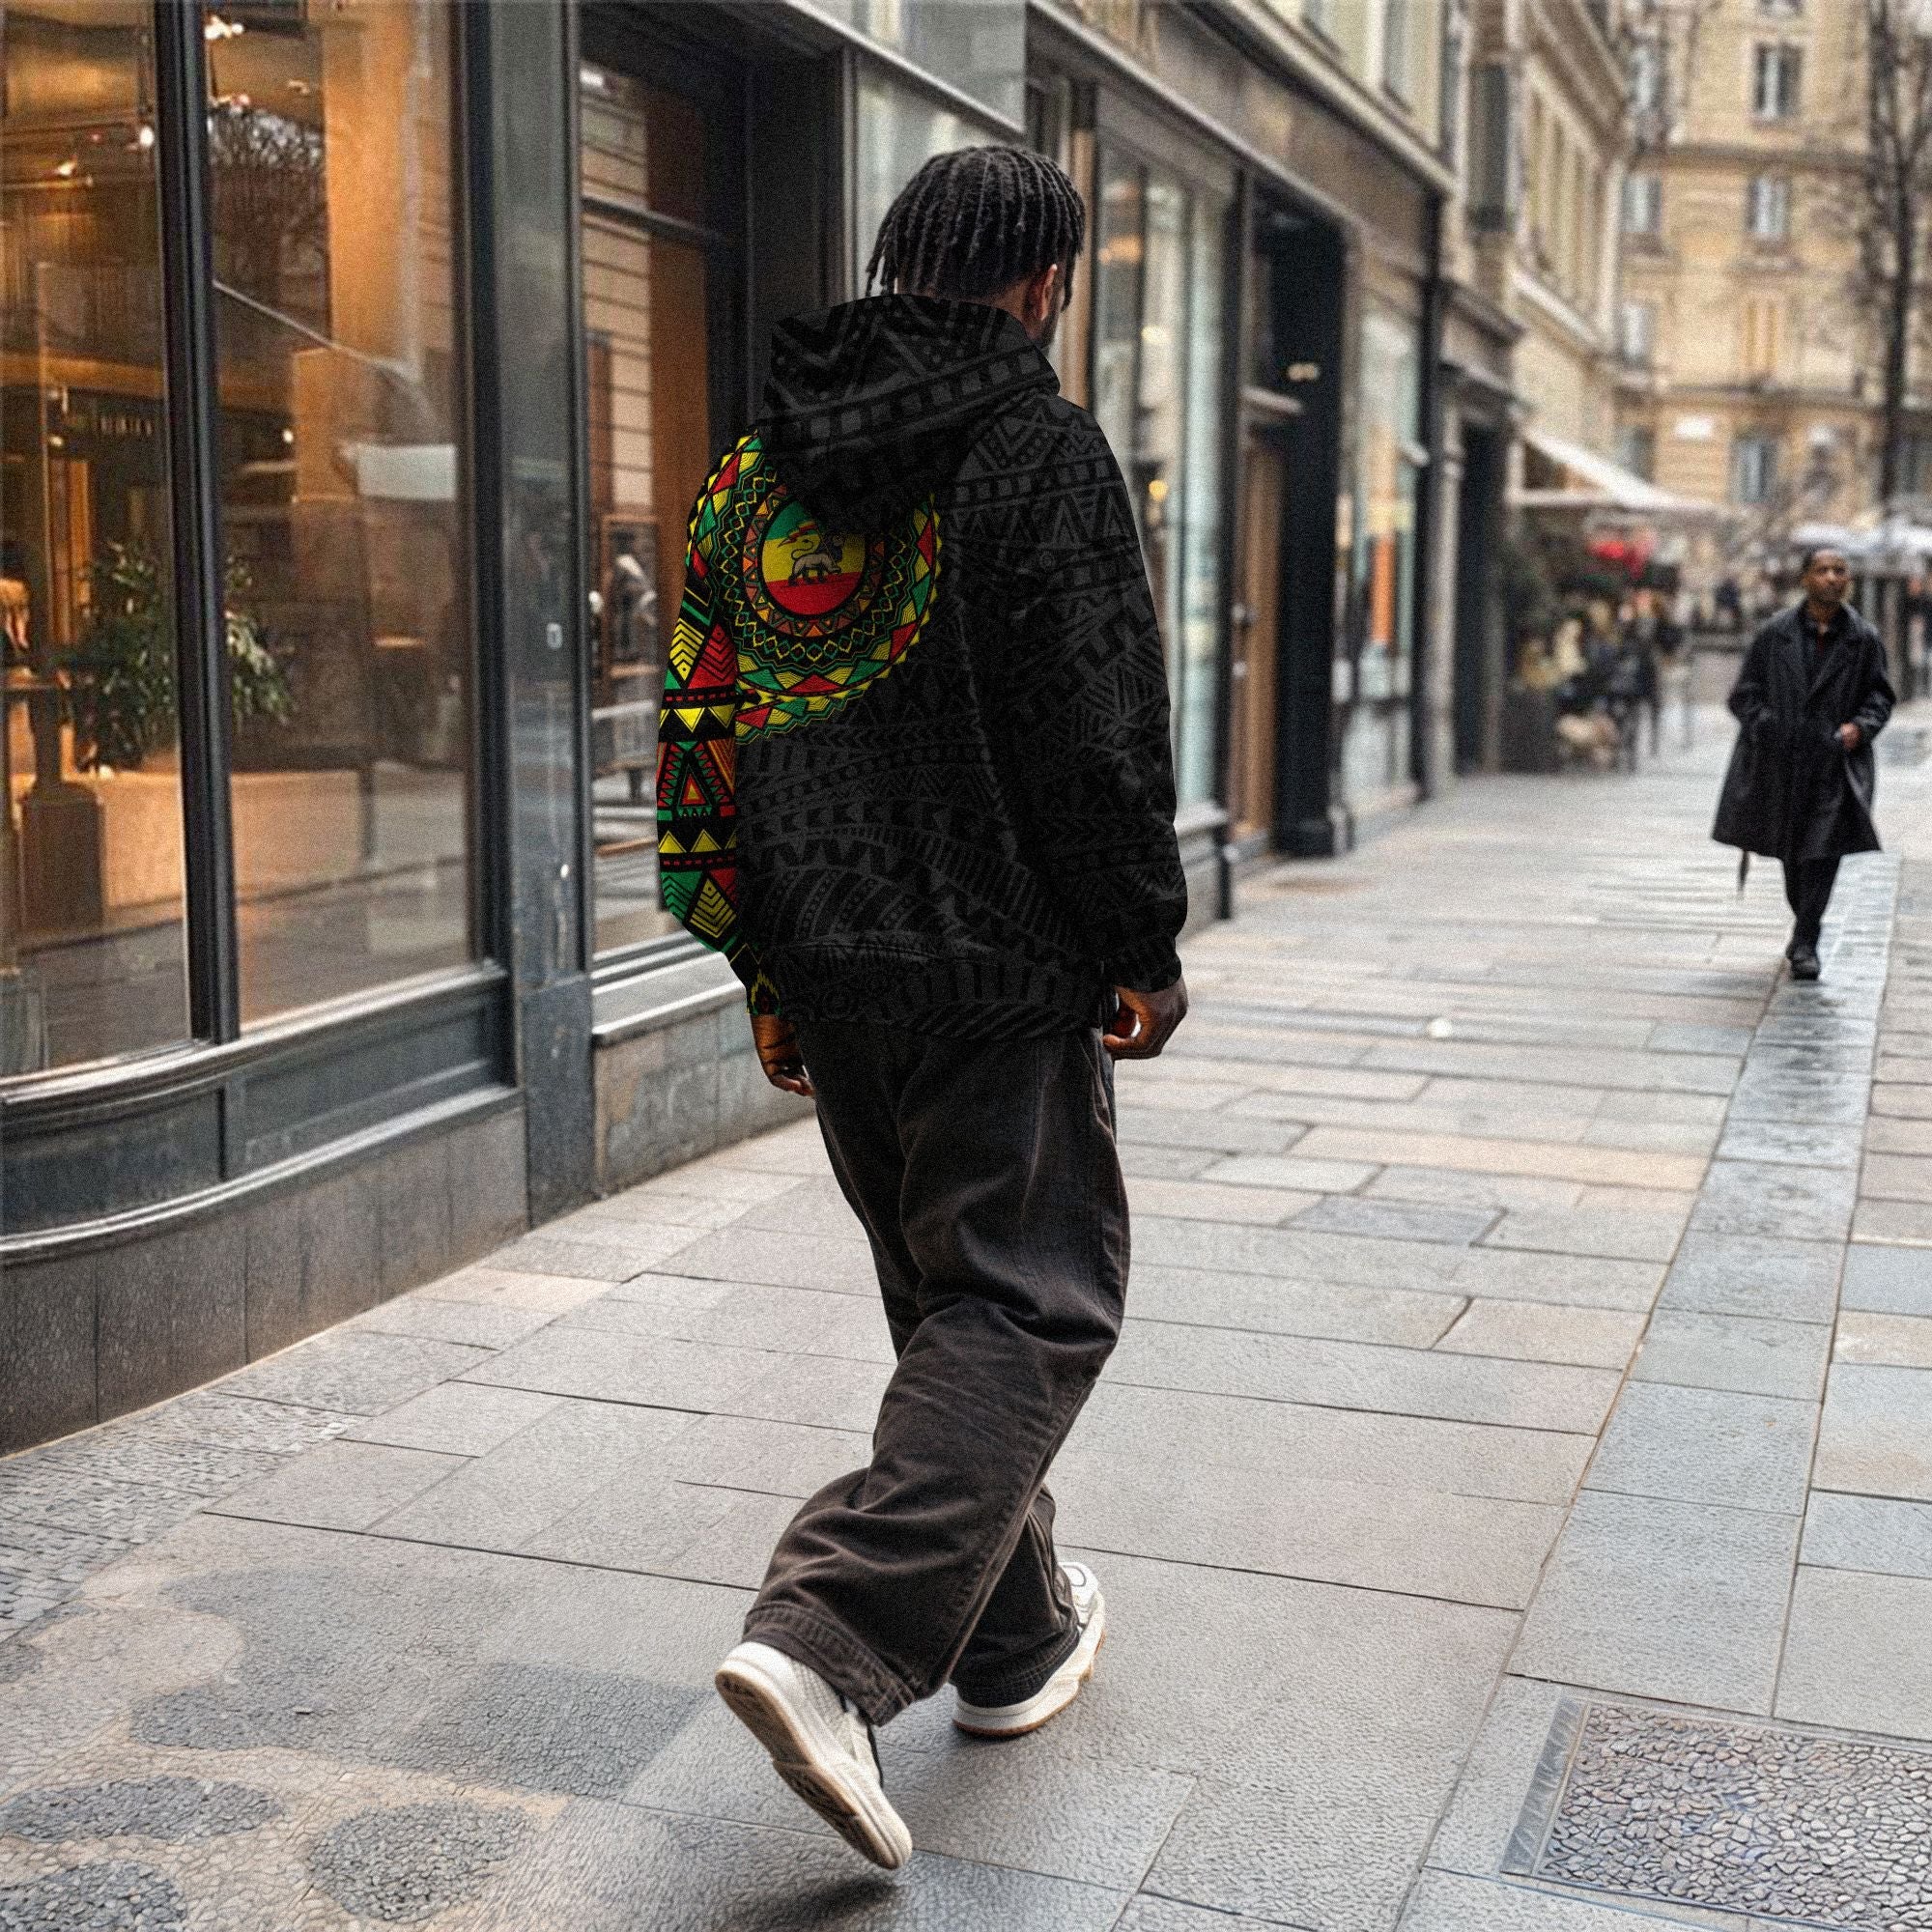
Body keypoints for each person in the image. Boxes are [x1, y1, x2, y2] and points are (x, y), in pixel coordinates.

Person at [656, 146, 1187, 1871]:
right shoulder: (1037, 451)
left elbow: (699, 729)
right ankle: (829, 1639)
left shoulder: (754, 470)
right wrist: (1142, 938)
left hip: (834, 968)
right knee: (1030, 1310)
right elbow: (1095, 721)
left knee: (951, 1309)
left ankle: (1018, 1631)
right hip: (994, 958)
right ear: (1041, 284)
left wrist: (756, 957)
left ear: (899, 260)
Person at [1713, 547, 1895, 980]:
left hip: (1835, 763)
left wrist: (1860, 728)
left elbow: (1881, 696)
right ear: (1805, 579)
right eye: (1823, 570)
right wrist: (1770, 726)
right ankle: (1805, 927)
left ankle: (1806, 939)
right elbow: (1743, 695)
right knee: (1794, 854)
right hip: (1783, 765)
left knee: (1825, 851)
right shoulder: (1775, 634)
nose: (1833, 577)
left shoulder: (1863, 638)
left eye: (1840, 571)